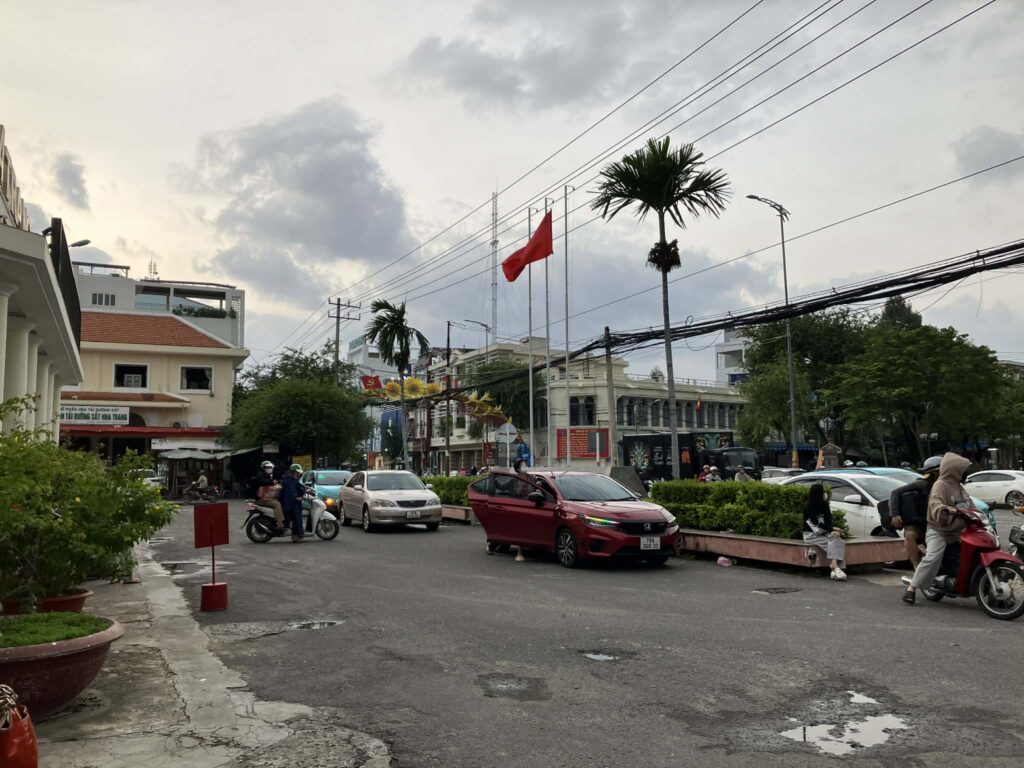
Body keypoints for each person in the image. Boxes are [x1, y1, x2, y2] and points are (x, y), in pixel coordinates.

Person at [903, 453, 971, 605]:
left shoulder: (958, 487)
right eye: (962, 469)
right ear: (954, 469)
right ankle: (912, 588)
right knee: (933, 556)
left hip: (957, 529)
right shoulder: (940, 485)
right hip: (939, 529)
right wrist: (944, 508)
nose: (964, 473)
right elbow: (935, 502)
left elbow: (968, 503)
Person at [886, 455, 942, 568]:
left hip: (941, 520)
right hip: (923, 522)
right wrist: (895, 514)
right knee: (910, 535)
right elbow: (895, 493)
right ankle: (916, 567)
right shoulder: (922, 484)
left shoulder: (949, 485)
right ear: (935, 473)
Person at [803, 483, 847, 580]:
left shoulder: (825, 504)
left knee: (837, 538)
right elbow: (815, 522)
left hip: (824, 532)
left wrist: (831, 530)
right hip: (811, 534)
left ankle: (834, 564)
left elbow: (828, 519)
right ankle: (837, 567)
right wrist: (831, 529)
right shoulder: (808, 506)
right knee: (834, 544)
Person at [253, 460, 287, 534]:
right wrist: (272, 482)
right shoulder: (261, 475)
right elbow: (263, 481)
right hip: (262, 499)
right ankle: (280, 524)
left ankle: (278, 520)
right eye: (268, 467)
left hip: (265, 497)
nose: (270, 469)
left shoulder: (267, 476)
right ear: (263, 468)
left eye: (271, 467)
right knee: (277, 504)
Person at [280, 463, 307, 543]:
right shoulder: (290, 481)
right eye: (297, 472)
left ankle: (295, 534)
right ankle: (299, 534)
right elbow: (292, 492)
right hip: (290, 504)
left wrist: (304, 489)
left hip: (287, 503)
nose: (299, 474)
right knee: (297, 516)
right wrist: (297, 498)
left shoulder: (290, 479)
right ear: (294, 472)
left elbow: (299, 486)